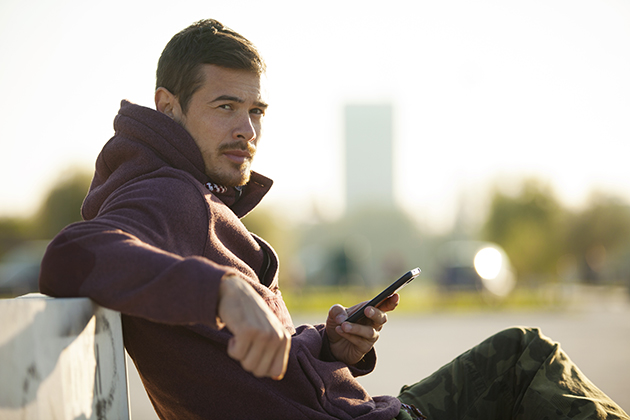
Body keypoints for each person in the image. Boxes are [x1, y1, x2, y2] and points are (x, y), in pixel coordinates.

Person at [38, 19, 628, 420]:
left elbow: (246, 371)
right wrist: (223, 292)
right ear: (168, 107)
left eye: (255, 110)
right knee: (525, 358)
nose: (247, 130)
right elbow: (71, 255)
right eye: (225, 108)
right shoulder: (166, 195)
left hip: (358, 410)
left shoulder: (193, 198)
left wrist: (328, 344)